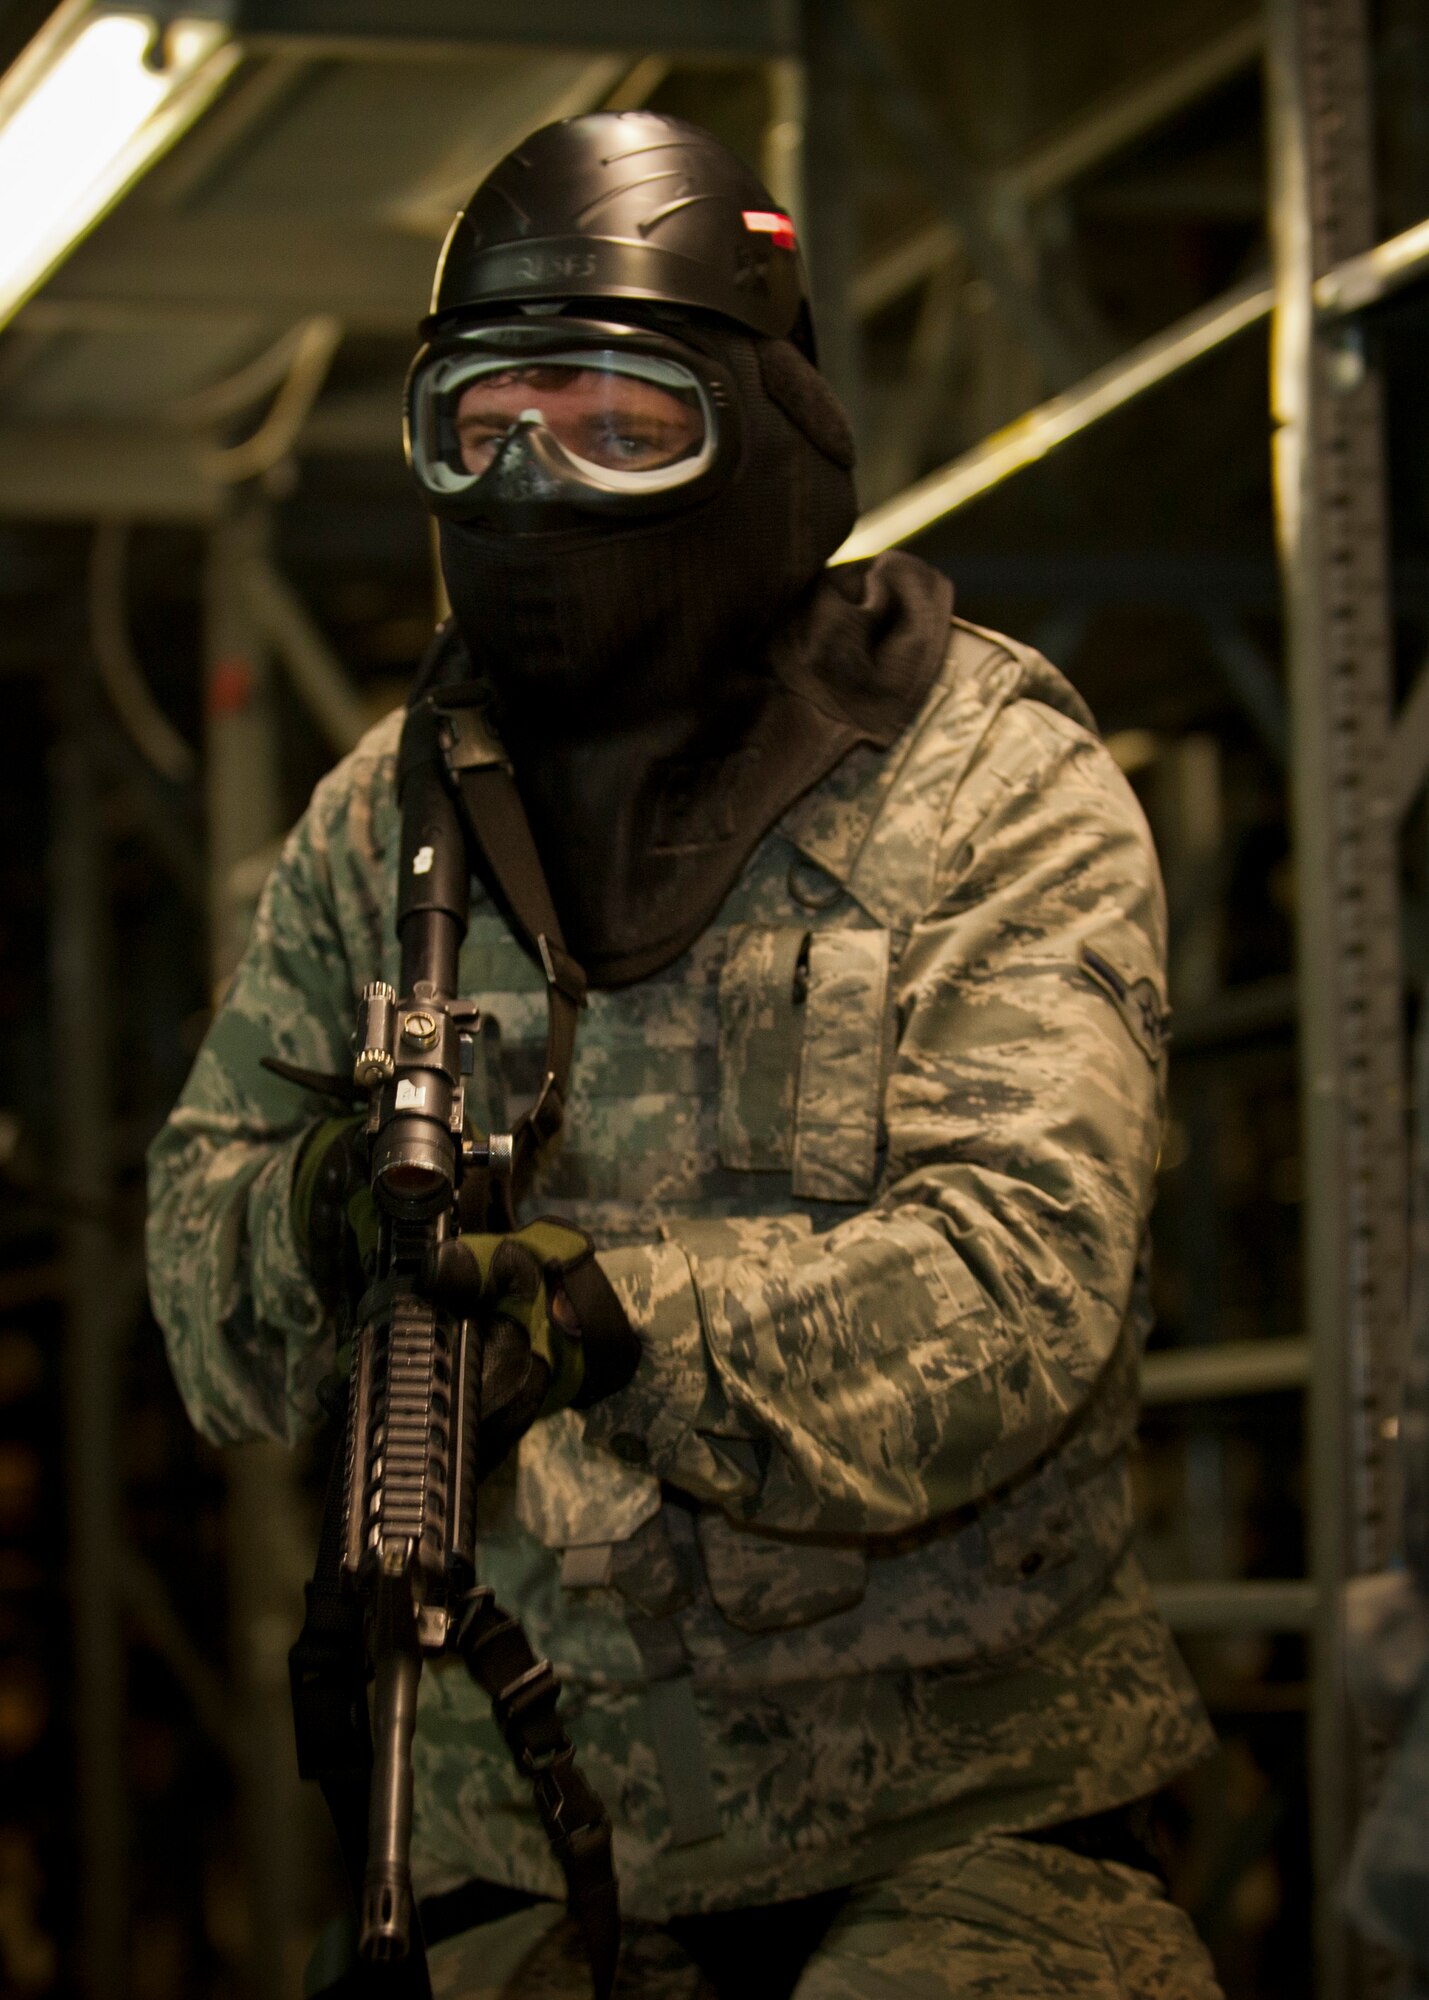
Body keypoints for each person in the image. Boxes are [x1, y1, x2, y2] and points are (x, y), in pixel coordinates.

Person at [147, 111, 1225, 2000]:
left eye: (619, 425)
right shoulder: (384, 826)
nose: (535, 487)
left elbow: (1019, 1288)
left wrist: (614, 1325)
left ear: (763, 433)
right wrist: (329, 1215)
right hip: (505, 1847)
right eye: (481, 431)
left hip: (957, 1835)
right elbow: (202, 1289)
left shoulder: (985, 783)